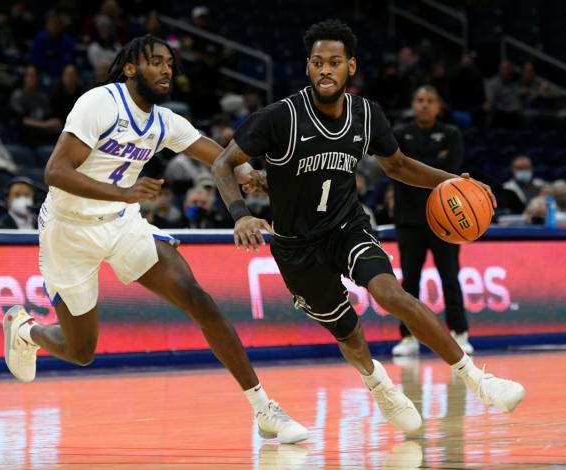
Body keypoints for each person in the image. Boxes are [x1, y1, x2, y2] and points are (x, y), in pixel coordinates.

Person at [212, 19, 525, 434]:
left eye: (335, 62)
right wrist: (241, 214)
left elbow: (397, 165)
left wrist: (450, 180)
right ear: (308, 67)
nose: (326, 70)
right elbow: (222, 163)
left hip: (347, 226)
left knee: (391, 293)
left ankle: (479, 380)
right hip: (296, 246)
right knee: (350, 335)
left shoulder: (366, 114)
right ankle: (379, 384)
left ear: (351, 67)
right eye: (318, 62)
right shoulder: (279, 118)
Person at [1, 35, 307, 444]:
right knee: (81, 351)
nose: (166, 69)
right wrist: (125, 193)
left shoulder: (165, 121)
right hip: (68, 230)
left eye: (170, 63)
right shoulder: (100, 103)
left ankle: (264, 409)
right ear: (130, 68)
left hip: (123, 223)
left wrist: (252, 176)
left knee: (197, 298)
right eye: (156, 61)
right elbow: (55, 172)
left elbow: (219, 159)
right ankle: (26, 330)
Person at [391, 85, 472, 356]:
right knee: (409, 283)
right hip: (408, 220)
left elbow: (450, 172)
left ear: (439, 106)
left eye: (430, 101)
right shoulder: (400, 133)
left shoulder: (451, 134)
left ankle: (460, 334)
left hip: (445, 221)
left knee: (450, 277)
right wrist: (429, 164)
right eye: (420, 100)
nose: (424, 105)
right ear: (413, 105)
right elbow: (397, 169)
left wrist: (414, 164)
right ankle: (408, 338)